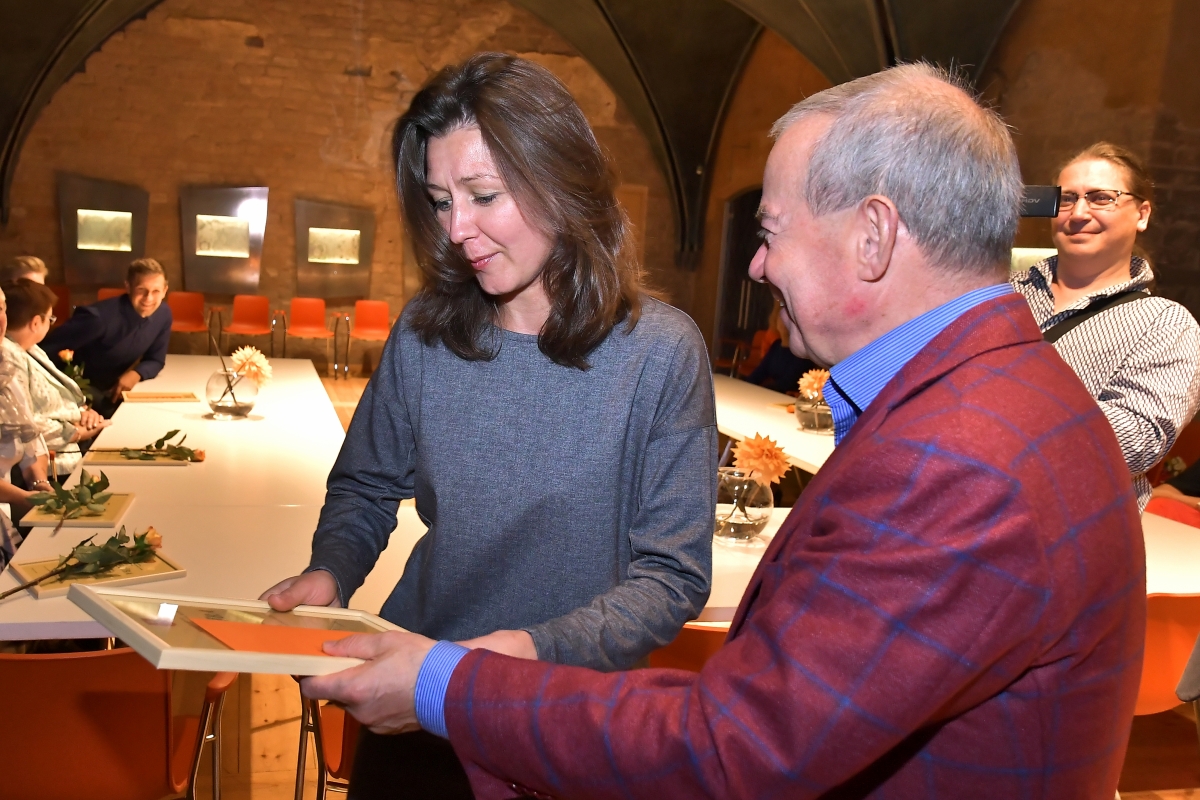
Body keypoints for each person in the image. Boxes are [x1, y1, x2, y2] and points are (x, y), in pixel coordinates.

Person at [300, 63, 1146, 799]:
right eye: (442, 201)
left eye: (770, 232)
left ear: (874, 235)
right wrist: (340, 577)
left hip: (547, 722)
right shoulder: (1011, 401)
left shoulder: (957, 457)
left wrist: (446, 683)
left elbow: (737, 745)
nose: (755, 264)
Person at [262, 53, 715, 797]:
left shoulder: (661, 353)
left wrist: (506, 658)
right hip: (417, 711)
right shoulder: (425, 332)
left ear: (560, 180)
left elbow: (671, 577)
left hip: (564, 719)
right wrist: (331, 569)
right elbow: (366, 485)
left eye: (483, 195)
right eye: (440, 201)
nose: (456, 229)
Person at [1011, 143, 1200, 511]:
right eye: (1066, 199)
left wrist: (1004, 400)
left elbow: (1138, 443)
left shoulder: (1166, 325)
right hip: (954, 510)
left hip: (1066, 529)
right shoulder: (998, 292)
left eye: (1101, 198)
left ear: (1142, 214)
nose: (1079, 213)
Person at [1, 279, 110, 478]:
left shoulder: (29, 348)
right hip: (44, 467)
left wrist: (83, 413)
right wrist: (75, 433)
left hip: (66, 448)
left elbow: (55, 398)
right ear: (36, 323)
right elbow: (23, 424)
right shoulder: (7, 356)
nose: (50, 325)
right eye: (50, 319)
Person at [43, 258, 172, 417]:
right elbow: (44, 352)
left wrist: (136, 374)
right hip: (72, 389)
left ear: (165, 291)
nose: (149, 298)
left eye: (156, 291)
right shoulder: (97, 318)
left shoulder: (163, 314)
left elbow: (156, 359)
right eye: (141, 290)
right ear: (128, 287)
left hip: (110, 388)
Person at [0, 286, 53, 569]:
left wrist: (40, 483)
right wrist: (23, 498)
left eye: (1, 309)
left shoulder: (7, 363)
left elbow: (31, 441)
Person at [745, 301, 818, 392]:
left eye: (790, 318)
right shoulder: (776, 345)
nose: (783, 321)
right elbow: (760, 372)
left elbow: (786, 384)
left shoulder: (802, 353)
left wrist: (760, 391)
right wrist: (745, 386)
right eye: (782, 316)